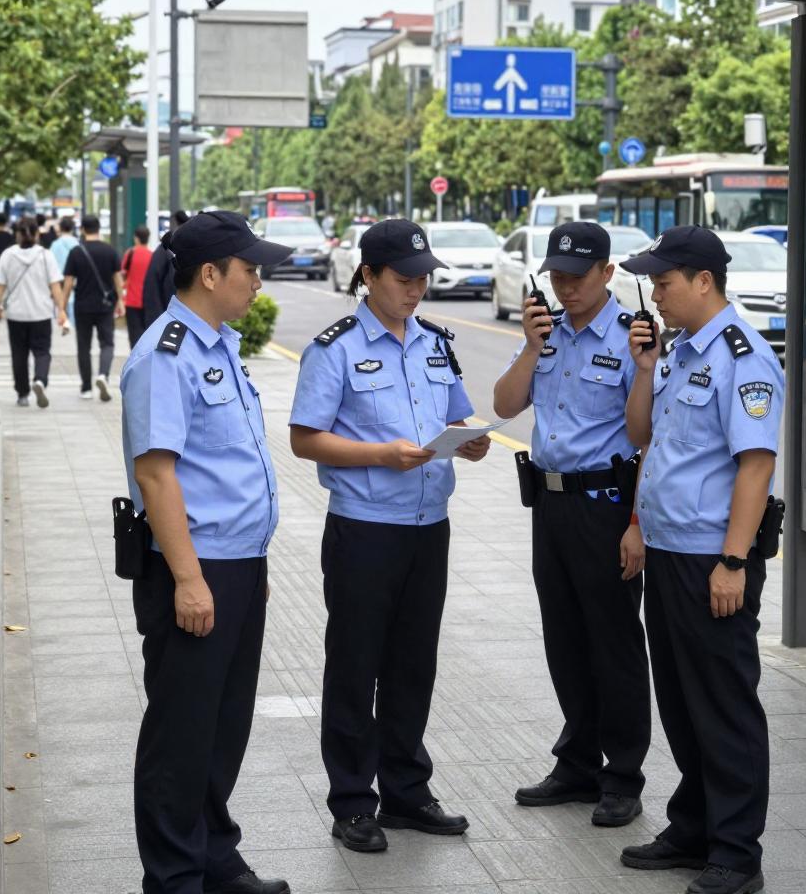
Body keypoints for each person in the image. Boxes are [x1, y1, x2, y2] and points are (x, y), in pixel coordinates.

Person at [288, 219, 489, 855]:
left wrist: (472, 437)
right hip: (366, 529)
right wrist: (379, 454)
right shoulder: (335, 348)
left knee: (412, 664)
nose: (416, 290)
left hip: (430, 528)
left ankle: (407, 792)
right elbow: (304, 437)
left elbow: (457, 412)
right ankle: (352, 801)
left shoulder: (434, 341)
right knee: (356, 665)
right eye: (404, 280)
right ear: (369, 276)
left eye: (423, 278)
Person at [120, 210, 294, 894]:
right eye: (250, 269)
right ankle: (173, 876)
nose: (258, 280)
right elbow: (156, 475)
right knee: (181, 733)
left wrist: (253, 564)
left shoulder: (219, 345)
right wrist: (190, 580)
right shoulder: (166, 354)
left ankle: (215, 856)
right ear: (211, 273)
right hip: (191, 566)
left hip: (237, 563)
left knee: (224, 725)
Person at [617, 226, 784, 894]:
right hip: (668, 550)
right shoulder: (681, 352)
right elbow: (647, 441)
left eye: (663, 282)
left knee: (724, 705)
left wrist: (734, 563)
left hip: (714, 560)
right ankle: (695, 826)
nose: (655, 295)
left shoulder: (743, 357)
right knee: (683, 703)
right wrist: (646, 370)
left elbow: (756, 465)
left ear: (703, 281)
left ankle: (737, 853)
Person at [492, 221, 651, 828]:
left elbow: (648, 441)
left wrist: (635, 524)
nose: (566, 287)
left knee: (613, 642)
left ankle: (623, 775)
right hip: (551, 505)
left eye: (577, 277)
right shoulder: (546, 332)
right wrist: (532, 346)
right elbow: (506, 404)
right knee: (564, 638)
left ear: (607, 274)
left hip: (607, 504)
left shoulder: (635, 337)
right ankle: (578, 763)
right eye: (556, 276)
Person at [0, 218, 67, 407]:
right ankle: (40, 380)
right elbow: (55, 286)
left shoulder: (8, 255)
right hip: (40, 313)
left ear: (17, 234)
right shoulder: (45, 255)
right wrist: (61, 310)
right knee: (42, 352)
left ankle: (22, 394)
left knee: (19, 354)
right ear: (36, 234)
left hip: (16, 314)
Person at [62, 216, 125, 401]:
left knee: (84, 347)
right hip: (105, 306)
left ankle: (86, 388)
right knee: (107, 343)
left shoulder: (76, 252)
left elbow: (67, 283)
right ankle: (103, 375)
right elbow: (117, 279)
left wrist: (62, 307)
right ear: (98, 228)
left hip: (82, 306)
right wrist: (121, 300)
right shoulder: (110, 251)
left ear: (82, 229)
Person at [143, 210, 190, 327]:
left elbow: (152, 283)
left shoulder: (164, 250)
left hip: (169, 316)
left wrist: (155, 319)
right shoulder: (194, 249)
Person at [122, 225, 153, 350]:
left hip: (132, 301)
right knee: (147, 334)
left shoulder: (130, 254)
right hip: (147, 302)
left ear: (136, 238)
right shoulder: (152, 255)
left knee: (134, 335)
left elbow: (123, 274)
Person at [50, 217, 80, 328]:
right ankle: (71, 323)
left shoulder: (55, 244)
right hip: (74, 279)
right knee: (72, 302)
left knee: (60, 303)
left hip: (58, 280)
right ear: (72, 228)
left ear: (61, 228)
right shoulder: (77, 243)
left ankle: (62, 322)